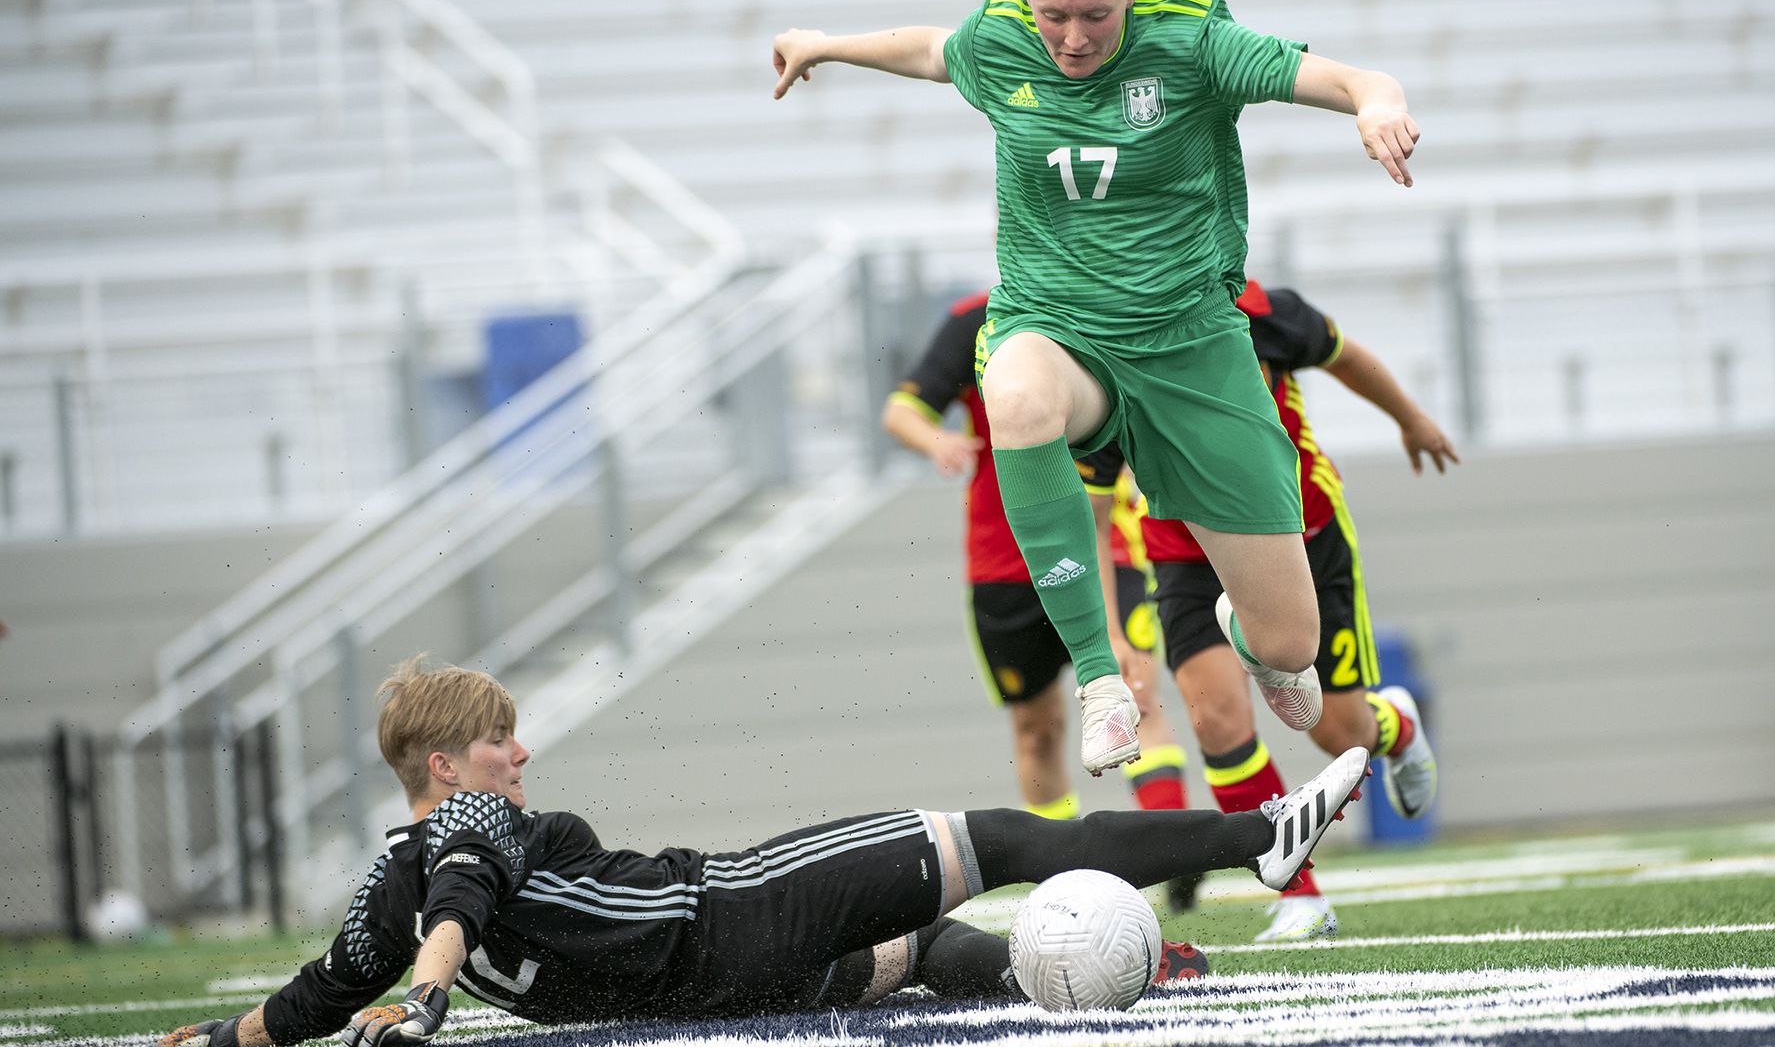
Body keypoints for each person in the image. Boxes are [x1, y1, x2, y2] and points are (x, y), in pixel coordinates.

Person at [773, 0, 1420, 778]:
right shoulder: (1002, 41)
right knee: (1014, 394)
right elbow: (931, 49)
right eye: (1053, 17)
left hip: (1192, 347)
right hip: (1060, 328)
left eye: (1095, 17)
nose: (1072, 39)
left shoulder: (1194, 39)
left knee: (1289, 651)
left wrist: (1378, 104)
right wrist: (823, 44)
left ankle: (1251, 624)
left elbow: (1352, 77)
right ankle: (1101, 684)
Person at [156, 659, 1367, 1047]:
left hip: (719, 993)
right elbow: (461, 883)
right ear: (442, 770)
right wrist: (425, 990)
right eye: (497, 742)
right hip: (737, 908)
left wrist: (221, 1039)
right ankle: (1261, 838)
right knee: (1005, 837)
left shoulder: (385, 891)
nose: (518, 757)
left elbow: (316, 993)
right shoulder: (468, 836)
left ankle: (1136, 965)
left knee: (922, 955)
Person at [1104, 279, 1455, 941]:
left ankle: (1394, 725)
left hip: (1300, 531)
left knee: (1337, 733)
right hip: (1182, 549)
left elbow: (1346, 356)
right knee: (1214, 718)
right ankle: (1300, 895)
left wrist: (1410, 417)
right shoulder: (1103, 337)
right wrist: (1109, 632)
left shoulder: (1259, 311)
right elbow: (1094, 505)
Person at [883, 290, 1192, 813]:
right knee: (1036, 731)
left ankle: (1181, 860)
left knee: (1138, 697)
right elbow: (901, 412)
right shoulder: (975, 320)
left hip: (1103, 550)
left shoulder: (1106, 301)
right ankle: (1063, 869)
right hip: (1004, 565)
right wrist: (937, 442)